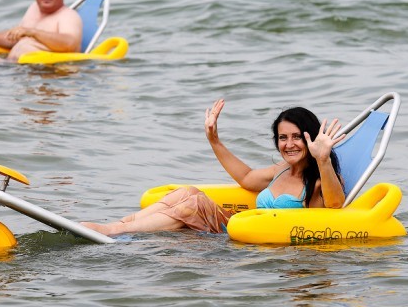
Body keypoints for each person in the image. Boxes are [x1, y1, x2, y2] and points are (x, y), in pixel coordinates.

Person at [80, 99, 346, 237]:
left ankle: (116, 233)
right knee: (187, 193)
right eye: (282, 138)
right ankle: (115, 226)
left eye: (296, 137)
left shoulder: (320, 180)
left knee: (194, 205)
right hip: (237, 229)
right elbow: (245, 177)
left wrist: (323, 159)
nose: (289, 144)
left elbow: (335, 205)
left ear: (310, 137)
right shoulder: (280, 171)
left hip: (248, 240)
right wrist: (214, 139)